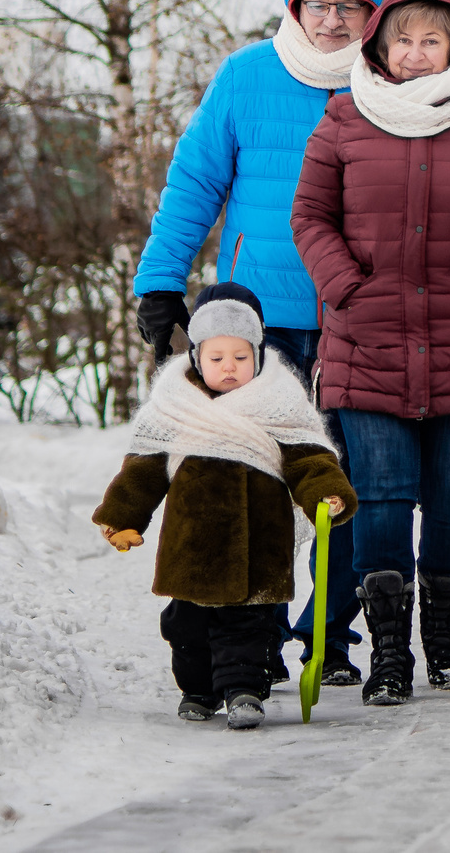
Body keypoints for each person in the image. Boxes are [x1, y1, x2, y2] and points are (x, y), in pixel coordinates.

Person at [128, 0, 388, 685]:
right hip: (253, 327)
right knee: (254, 483)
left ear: (373, 17)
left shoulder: (386, 92)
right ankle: (256, 632)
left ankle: (329, 636)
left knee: (340, 488)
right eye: (320, 4)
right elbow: (193, 184)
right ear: (295, 4)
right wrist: (159, 282)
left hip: (353, 317)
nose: (334, 20)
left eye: (352, 8)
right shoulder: (245, 77)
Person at [289, 0, 450, 706]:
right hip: (367, 341)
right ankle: (392, 648)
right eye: (401, 39)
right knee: (379, 499)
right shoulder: (345, 117)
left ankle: (443, 623)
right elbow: (308, 215)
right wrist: (348, 286)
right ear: (378, 45)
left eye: (430, 40)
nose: (413, 53)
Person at [93, 283, 357, 730]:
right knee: (185, 625)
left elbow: (309, 457)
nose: (229, 368)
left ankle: (244, 692)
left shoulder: (279, 401)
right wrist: (121, 517)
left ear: (258, 353)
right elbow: (144, 468)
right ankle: (198, 690)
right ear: (197, 357)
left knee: (249, 624)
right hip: (191, 543)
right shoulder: (175, 405)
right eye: (217, 359)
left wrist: (324, 494)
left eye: (241, 357)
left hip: (259, 543)